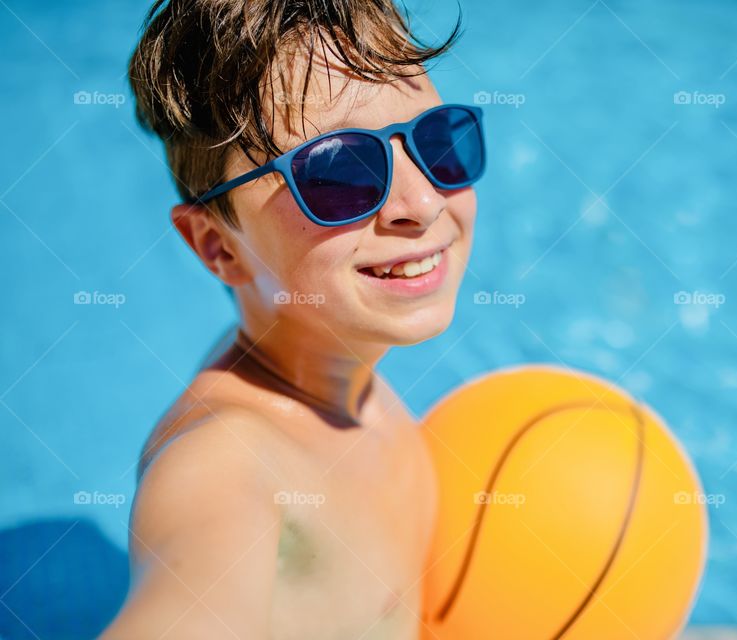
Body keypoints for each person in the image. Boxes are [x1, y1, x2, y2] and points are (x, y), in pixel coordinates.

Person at [101, 1, 483, 637]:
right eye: (339, 170)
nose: (420, 202)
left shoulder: (342, 377)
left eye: (439, 141)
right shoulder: (224, 470)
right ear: (218, 247)